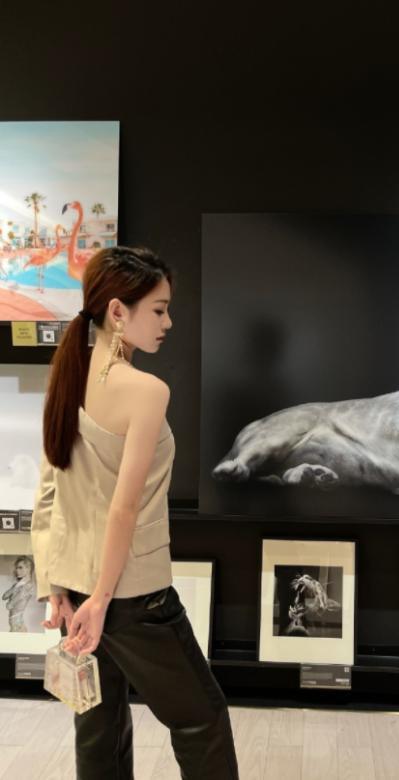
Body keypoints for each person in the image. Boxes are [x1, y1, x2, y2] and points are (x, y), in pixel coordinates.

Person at [30, 246, 239, 779]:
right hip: (131, 595)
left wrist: (57, 585)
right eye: (159, 309)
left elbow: (50, 490)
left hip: (78, 589)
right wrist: (103, 598)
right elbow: (123, 507)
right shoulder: (147, 391)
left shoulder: (68, 373)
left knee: (98, 729)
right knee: (202, 720)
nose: (169, 323)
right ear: (118, 311)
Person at [2, 556, 36, 632]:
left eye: (20, 568)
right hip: (16, 622)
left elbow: (9, 605)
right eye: (17, 568)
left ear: (28, 569)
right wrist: (16, 586)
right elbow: (4, 596)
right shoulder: (17, 585)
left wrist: (11, 601)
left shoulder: (28, 585)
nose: (17, 570)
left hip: (17, 623)